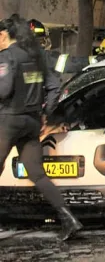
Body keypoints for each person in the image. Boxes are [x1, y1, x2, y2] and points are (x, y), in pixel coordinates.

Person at [0, 15, 82, 241]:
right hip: (32, 122)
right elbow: (54, 88)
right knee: (37, 173)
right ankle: (69, 219)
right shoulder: (38, 58)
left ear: (5, 35)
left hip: (8, 121)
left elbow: (4, 90)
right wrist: (45, 114)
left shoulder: (6, 57)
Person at [28, 19, 94, 80]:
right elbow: (72, 64)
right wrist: (97, 60)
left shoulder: (19, 58)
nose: (43, 44)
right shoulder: (45, 58)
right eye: (41, 41)